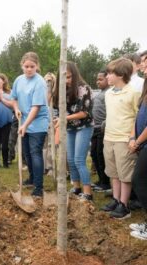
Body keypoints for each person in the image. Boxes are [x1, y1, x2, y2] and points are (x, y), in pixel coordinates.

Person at [100, 58, 140, 219]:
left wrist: (133, 138)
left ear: (121, 75)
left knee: (125, 174)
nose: (107, 76)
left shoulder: (133, 93)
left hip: (124, 139)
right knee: (113, 172)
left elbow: (138, 118)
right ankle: (116, 200)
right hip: (109, 138)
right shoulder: (108, 94)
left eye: (110, 73)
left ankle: (124, 205)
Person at [53, 61, 94, 202]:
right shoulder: (61, 90)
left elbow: (84, 113)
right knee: (70, 159)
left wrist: (64, 118)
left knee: (79, 159)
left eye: (69, 77)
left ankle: (88, 193)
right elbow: (58, 110)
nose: (67, 80)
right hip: (70, 127)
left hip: (84, 126)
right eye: (64, 77)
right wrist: (57, 118)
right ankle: (76, 188)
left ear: (75, 75)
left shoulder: (84, 89)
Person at [11, 52, 49, 199]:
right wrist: (16, 109)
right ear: (22, 66)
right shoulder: (18, 80)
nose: (29, 69)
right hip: (24, 121)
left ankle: (38, 187)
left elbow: (36, 107)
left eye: (32, 66)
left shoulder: (39, 82)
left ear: (37, 66)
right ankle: (32, 178)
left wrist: (25, 125)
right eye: (26, 66)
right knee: (26, 153)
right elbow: (13, 98)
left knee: (35, 153)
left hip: (38, 122)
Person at [129, 68, 147, 239]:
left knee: (139, 180)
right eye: (143, 64)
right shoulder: (145, 89)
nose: (144, 68)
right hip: (141, 142)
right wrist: (133, 137)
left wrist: (138, 141)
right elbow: (138, 117)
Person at [91, 69, 111, 192]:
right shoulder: (99, 93)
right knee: (93, 154)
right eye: (97, 79)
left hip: (103, 129)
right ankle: (100, 179)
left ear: (107, 79)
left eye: (101, 79)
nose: (98, 81)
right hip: (94, 128)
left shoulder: (109, 93)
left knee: (100, 155)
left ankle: (105, 183)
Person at [0, 73, 13, 168]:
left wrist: (2, 99)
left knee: (5, 144)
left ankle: (5, 163)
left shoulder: (10, 93)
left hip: (7, 122)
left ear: (3, 81)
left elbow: (13, 105)